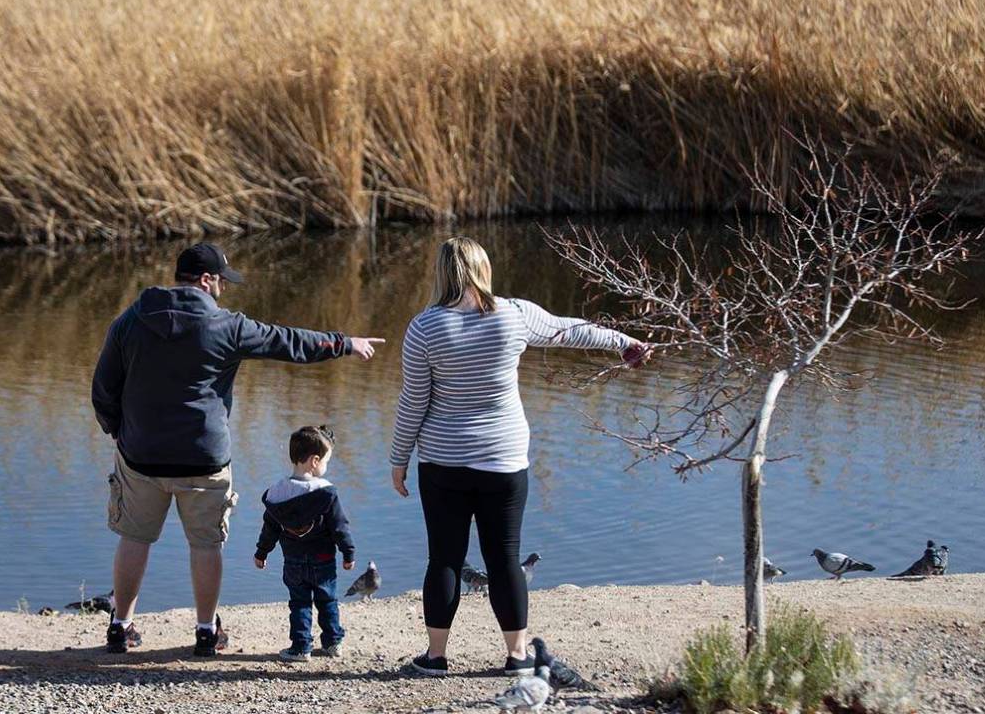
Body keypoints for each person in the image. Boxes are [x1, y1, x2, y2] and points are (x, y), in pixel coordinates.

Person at [91, 243, 384, 656]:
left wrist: (118, 431)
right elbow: (288, 342)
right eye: (222, 282)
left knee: (135, 538)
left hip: (140, 455)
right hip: (203, 459)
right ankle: (206, 632)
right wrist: (344, 343)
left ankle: (120, 628)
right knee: (206, 545)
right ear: (207, 280)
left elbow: (103, 387)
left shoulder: (131, 319)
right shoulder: (227, 326)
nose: (224, 290)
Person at [389, 236, 649, 677]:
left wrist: (398, 460)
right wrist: (623, 341)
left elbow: (413, 401)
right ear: (483, 269)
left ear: (442, 274)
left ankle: (435, 658)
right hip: (504, 461)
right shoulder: (513, 315)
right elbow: (572, 330)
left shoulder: (424, 328)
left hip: (443, 462)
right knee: (504, 558)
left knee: (445, 558)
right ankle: (517, 656)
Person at [254, 425, 355, 662]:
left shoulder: (277, 494)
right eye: (326, 461)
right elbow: (340, 526)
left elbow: (269, 528)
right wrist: (348, 552)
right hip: (323, 560)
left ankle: (301, 647)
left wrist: (262, 552)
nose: (326, 467)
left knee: (299, 603)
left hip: (293, 562)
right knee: (327, 600)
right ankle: (332, 642)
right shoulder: (326, 493)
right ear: (314, 460)